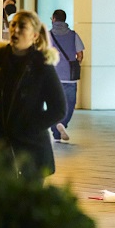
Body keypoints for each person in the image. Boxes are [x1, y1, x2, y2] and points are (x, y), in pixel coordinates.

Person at [0, 9, 66, 182]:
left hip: (31, 149)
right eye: (13, 25)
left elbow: (59, 108)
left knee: (27, 204)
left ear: (34, 35)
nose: (16, 30)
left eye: (22, 27)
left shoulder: (41, 64)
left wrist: (30, 127)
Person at [49, 9, 85, 141]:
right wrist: (74, 62)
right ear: (65, 19)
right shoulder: (73, 35)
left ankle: (56, 131)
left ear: (53, 19)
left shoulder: (47, 36)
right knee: (70, 103)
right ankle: (62, 124)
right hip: (69, 77)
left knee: (53, 104)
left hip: (52, 77)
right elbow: (80, 55)